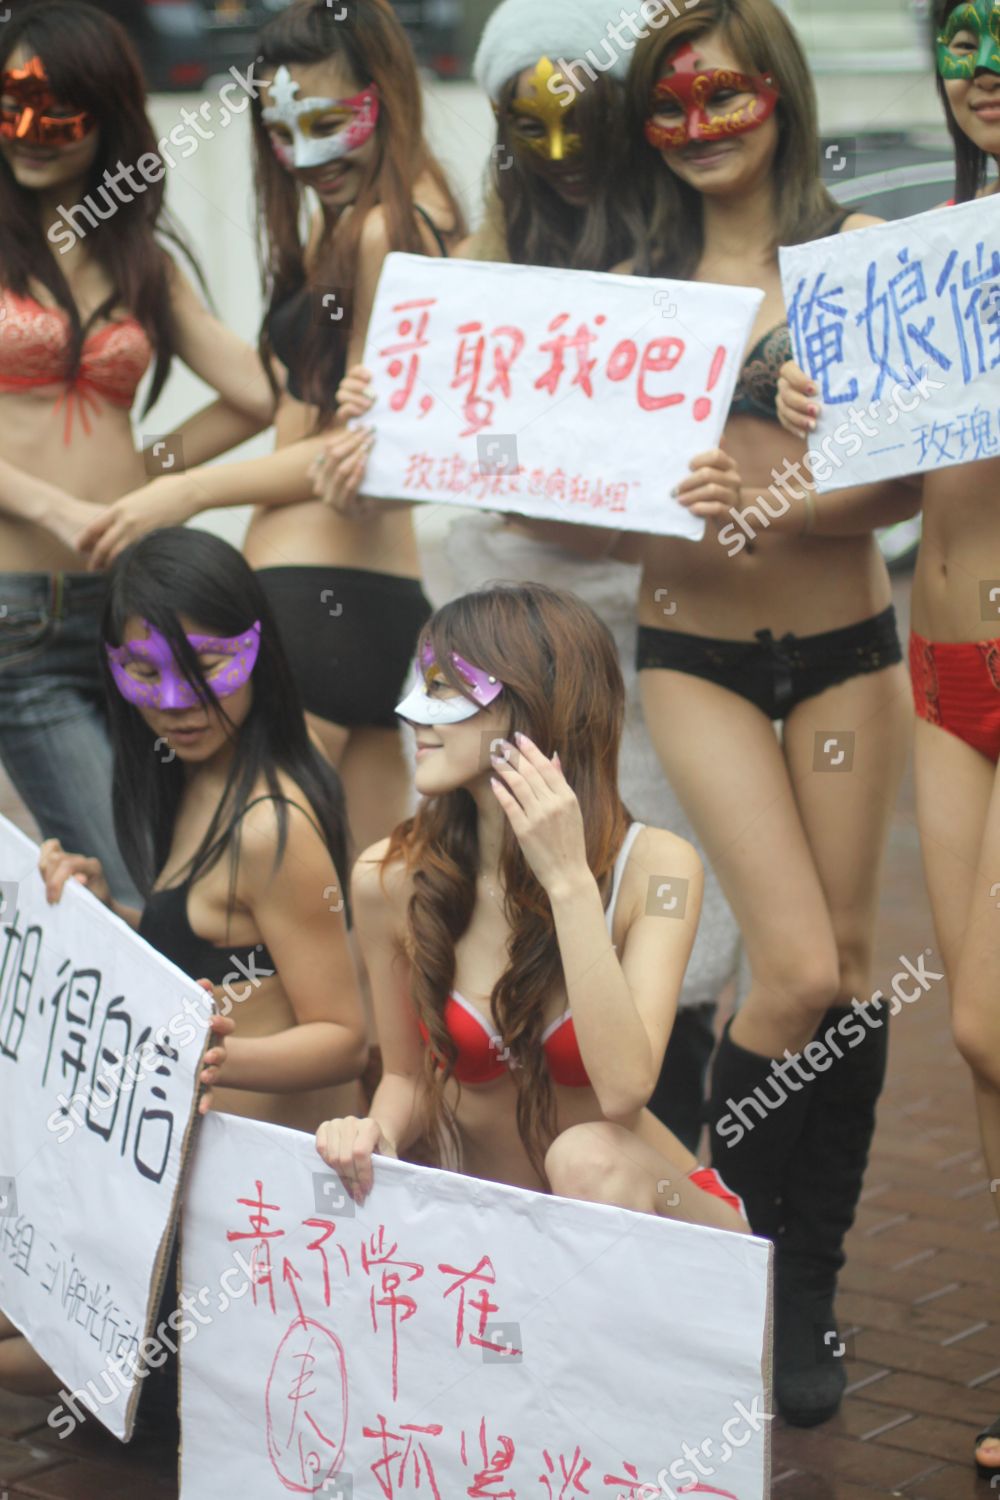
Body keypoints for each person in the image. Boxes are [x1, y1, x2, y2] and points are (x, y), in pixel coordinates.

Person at [312, 0, 744, 1152]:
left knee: (645, 896)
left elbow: (725, 503)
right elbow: (391, 478)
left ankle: (644, 1165)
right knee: (478, 874)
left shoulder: (689, 277)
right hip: (496, 622)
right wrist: (366, 439)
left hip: (645, 627)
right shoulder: (468, 276)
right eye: (528, 122)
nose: (559, 149)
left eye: (582, 116)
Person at [623, 0, 923, 1426]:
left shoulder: (857, 258)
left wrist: (807, 470)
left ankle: (805, 1287)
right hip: (693, 655)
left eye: (724, 97)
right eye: (669, 105)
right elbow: (555, 499)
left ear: (780, 96)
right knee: (791, 968)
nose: (698, 128)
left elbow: (909, 485)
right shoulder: (630, 288)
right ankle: (710, 1257)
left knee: (850, 973)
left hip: (847, 649)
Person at [78, 0, 466, 855]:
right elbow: (317, 420)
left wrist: (183, 491)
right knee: (372, 893)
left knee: (224, 877)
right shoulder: (391, 215)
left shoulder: (385, 228)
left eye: (329, 122)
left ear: (389, 94)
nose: (306, 156)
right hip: (382, 604)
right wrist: (148, 467)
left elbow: (363, 451)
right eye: (282, 133)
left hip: (304, 601)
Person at [2, 526, 368, 1412]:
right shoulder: (194, 779)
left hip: (235, 1248)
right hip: (160, 1196)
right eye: (143, 672)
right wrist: (103, 913)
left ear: (257, 649)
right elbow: (206, 951)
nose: (176, 702)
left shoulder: (270, 825)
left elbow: (346, 1038)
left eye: (206, 666)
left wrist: (215, 1056)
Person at [780, 0, 999, 1473]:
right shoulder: (924, 254)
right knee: (984, 1059)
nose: (982, 72)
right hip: (946, 670)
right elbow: (888, 496)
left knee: (989, 1021)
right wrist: (814, 437)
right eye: (961, 42)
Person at [316, 583, 749, 1239]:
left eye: (445, 691)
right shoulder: (390, 877)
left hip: (646, 1226)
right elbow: (405, 1076)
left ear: (532, 705)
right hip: (509, 1237)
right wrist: (376, 1132)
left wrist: (569, 883)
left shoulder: (658, 868)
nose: (413, 715)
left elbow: (623, 1089)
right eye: (421, 687)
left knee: (586, 1156)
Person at [0, 0, 275, 902]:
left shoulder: (140, 262)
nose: (28, 132)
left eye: (58, 112)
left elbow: (259, 394)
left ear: (109, 116)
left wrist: (152, 478)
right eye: (10, 104)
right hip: (16, 614)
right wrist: (56, 504)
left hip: (131, 607)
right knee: (123, 873)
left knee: (181, 852)